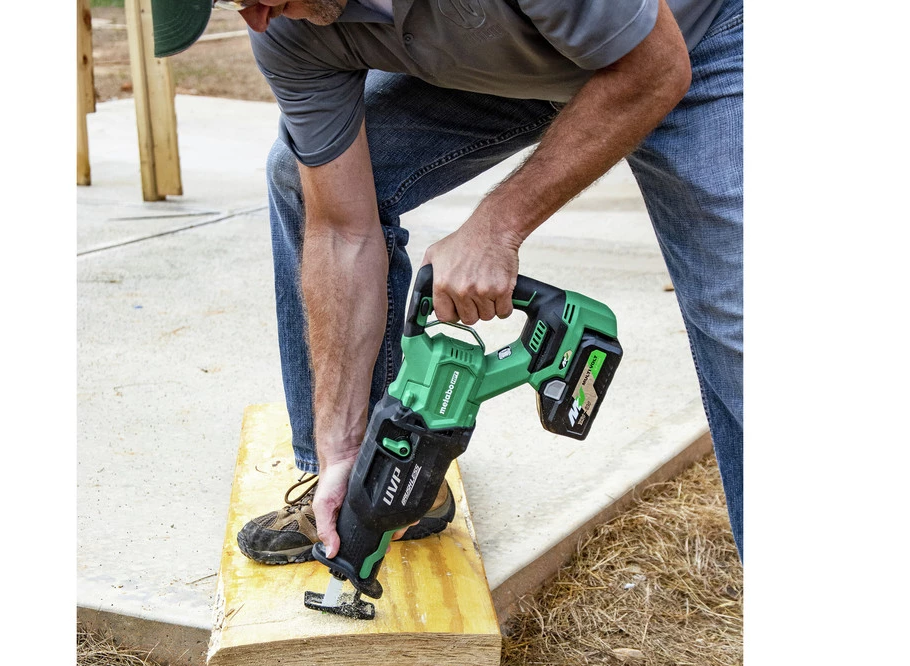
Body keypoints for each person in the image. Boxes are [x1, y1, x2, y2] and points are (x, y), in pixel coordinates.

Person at [151, 0, 743, 561]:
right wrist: (344, 448)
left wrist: (496, 227)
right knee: (303, 179)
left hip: (685, 40)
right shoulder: (285, 26)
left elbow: (653, 68)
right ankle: (379, 478)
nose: (254, 19)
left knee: (738, 324)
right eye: (230, 4)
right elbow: (341, 231)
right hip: (515, 57)